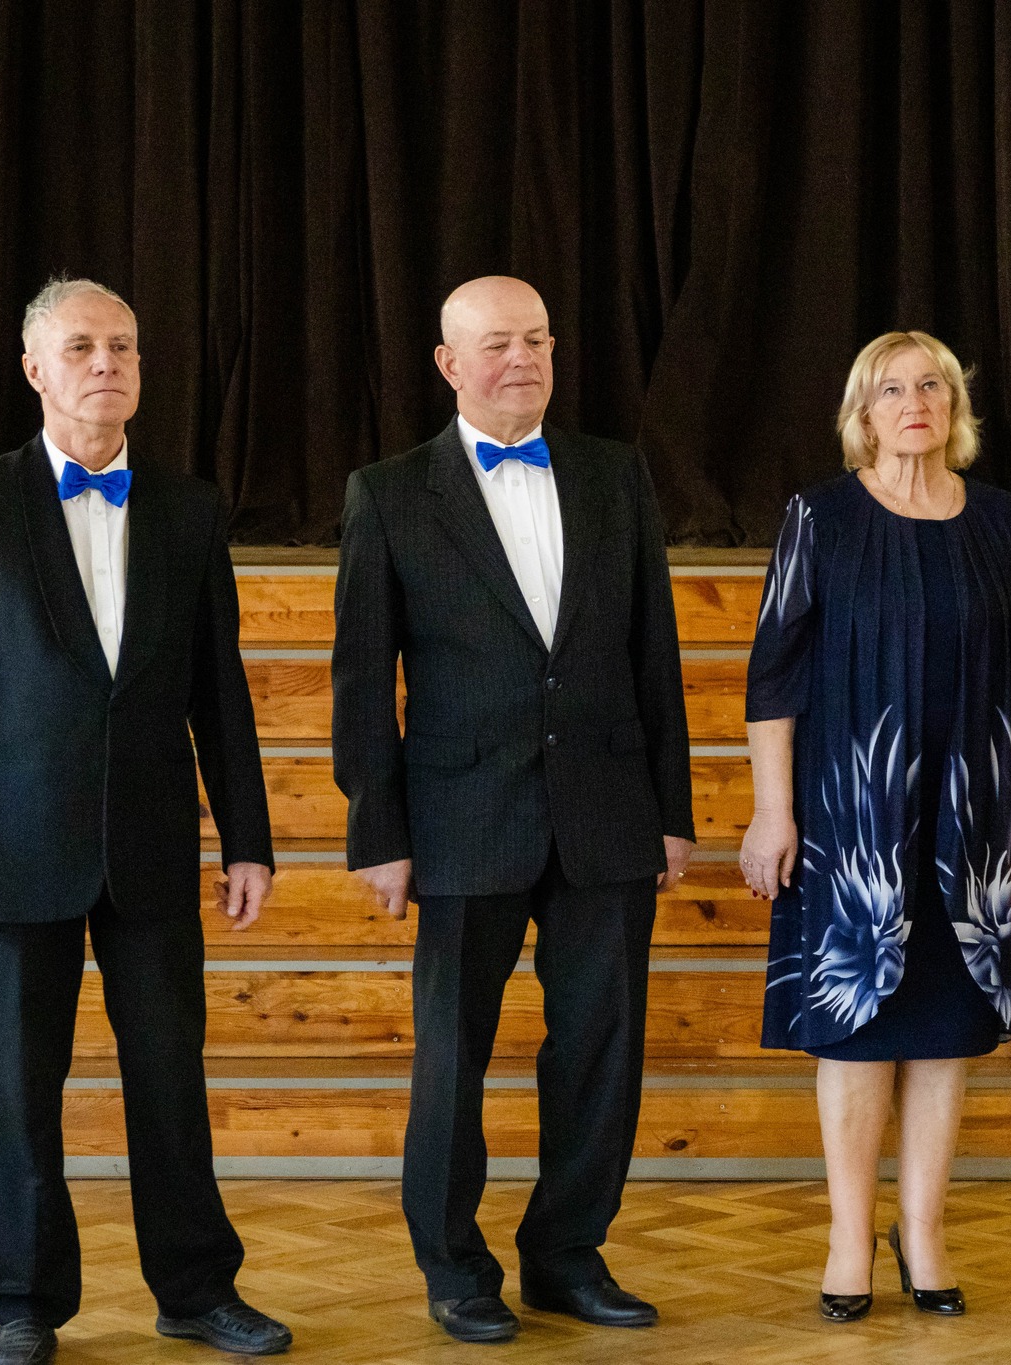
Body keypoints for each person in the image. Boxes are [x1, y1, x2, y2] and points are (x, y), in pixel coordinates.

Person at [0, 278, 292, 1365]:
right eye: (80, 347)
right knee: (24, 1088)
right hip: (18, 850)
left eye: (123, 346)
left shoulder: (191, 509)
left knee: (172, 1082)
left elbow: (220, 691)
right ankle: (24, 1304)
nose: (105, 363)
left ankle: (197, 1291)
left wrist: (247, 837)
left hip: (153, 850)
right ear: (36, 370)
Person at [332, 275, 694, 1342]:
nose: (522, 358)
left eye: (536, 338)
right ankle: (454, 1269)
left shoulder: (613, 473)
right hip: (458, 818)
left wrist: (671, 810)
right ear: (450, 364)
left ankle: (567, 1255)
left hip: (607, 812)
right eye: (496, 343)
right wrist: (378, 829)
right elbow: (362, 680)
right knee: (453, 1058)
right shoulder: (388, 492)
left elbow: (655, 653)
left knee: (599, 1050)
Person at [740, 330, 1011, 1322]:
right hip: (851, 822)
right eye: (891, 389)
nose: (913, 401)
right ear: (862, 415)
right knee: (853, 1033)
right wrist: (772, 809)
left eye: (931, 385)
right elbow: (774, 675)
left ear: (955, 407)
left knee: (944, 1033)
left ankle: (922, 1232)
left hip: (974, 822)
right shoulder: (821, 518)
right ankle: (849, 1238)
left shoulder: (1005, 523)